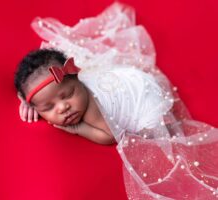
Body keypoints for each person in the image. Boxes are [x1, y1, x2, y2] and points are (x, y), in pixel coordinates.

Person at [14, 2, 218, 199]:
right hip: (123, 78)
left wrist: (78, 129)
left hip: (143, 96)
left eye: (67, 95)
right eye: (49, 107)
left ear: (78, 77)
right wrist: (30, 103)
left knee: (153, 145)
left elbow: (109, 135)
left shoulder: (91, 104)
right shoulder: (52, 95)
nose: (63, 107)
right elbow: (38, 92)